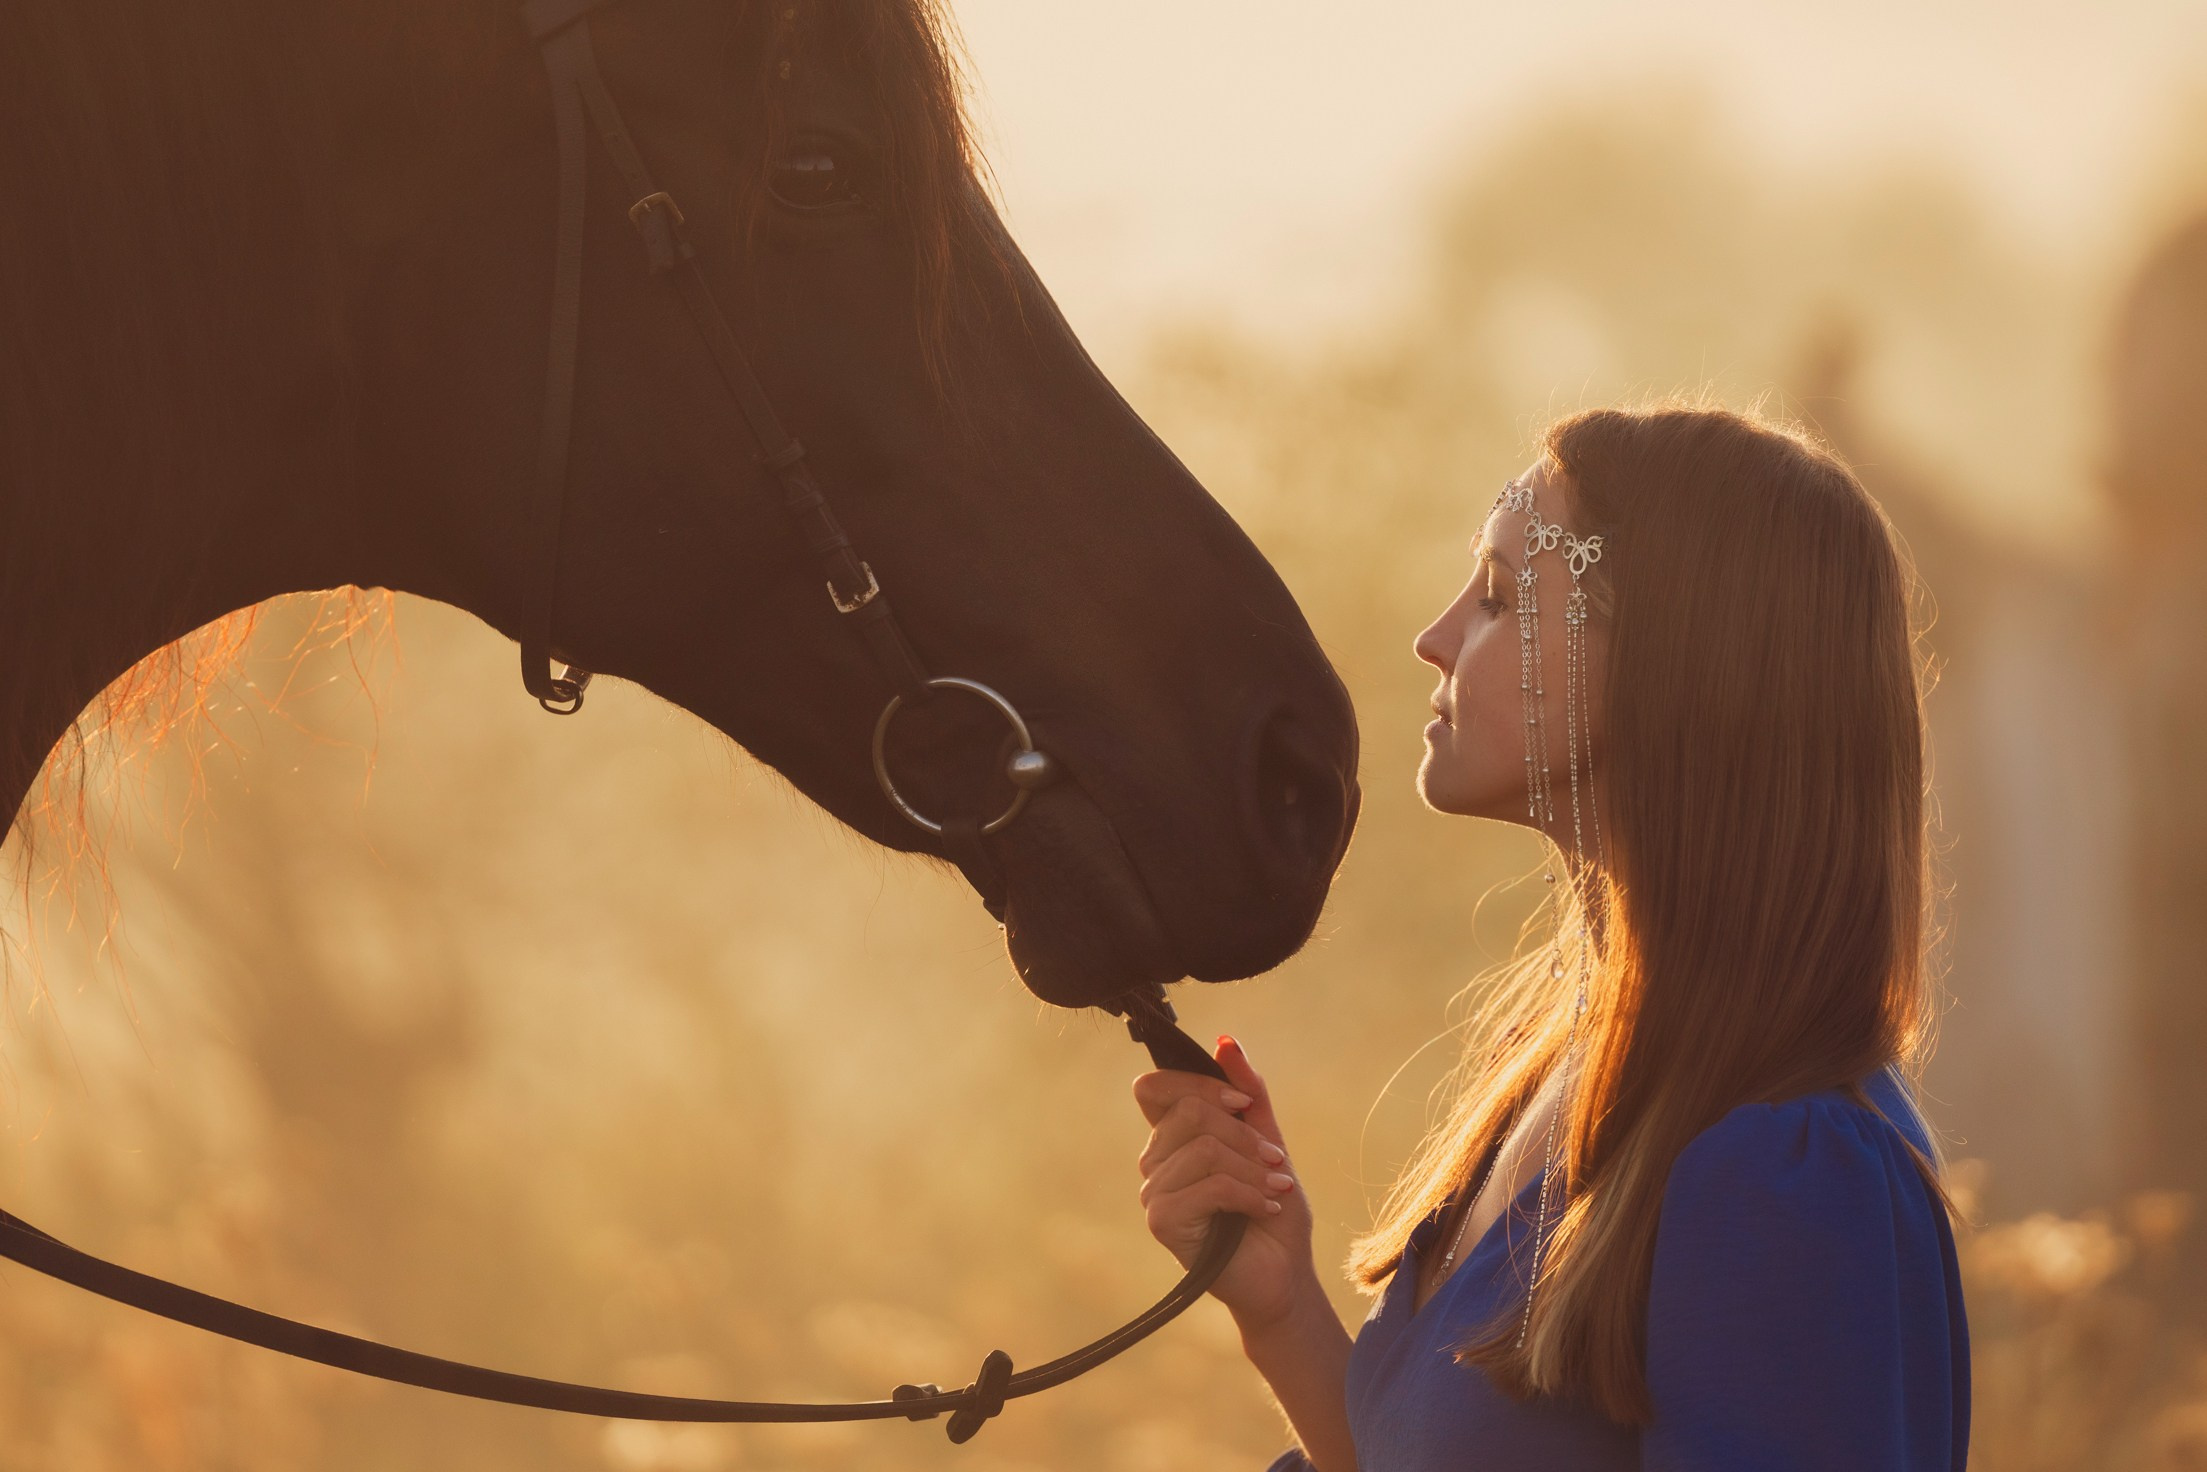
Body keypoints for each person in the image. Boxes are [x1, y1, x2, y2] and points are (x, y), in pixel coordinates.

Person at [1133, 405, 1970, 1470]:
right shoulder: (1566, 1074)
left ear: (1674, 663)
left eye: (1497, 596)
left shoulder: (1790, 1180)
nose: (1432, 637)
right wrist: (1280, 1305)